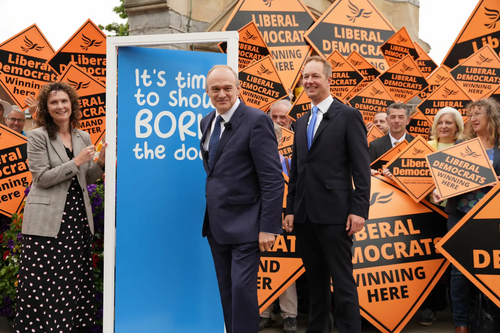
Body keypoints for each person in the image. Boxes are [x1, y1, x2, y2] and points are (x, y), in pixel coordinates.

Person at [284, 56, 371, 333]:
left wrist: (359, 210)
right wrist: (289, 210)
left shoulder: (348, 115)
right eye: (305, 77)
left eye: (315, 76)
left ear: (329, 79)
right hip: (305, 216)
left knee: (343, 284)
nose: (309, 81)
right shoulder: (300, 122)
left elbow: (361, 169)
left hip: (336, 216)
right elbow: (297, 172)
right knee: (315, 284)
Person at [14, 82, 106, 333]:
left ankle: (66, 327)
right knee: (45, 282)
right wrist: (77, 161)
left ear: (72, 104)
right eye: (54, 102)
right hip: (47, 221)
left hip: (76, 221)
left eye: (64, 101)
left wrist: (102, 161)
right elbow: (41, 178)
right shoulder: (37, 135)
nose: (60, 106)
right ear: (45, 107)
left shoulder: (82, 136)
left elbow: (85, 178)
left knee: (70, 282)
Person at [200, 65, 284, 333]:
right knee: (227, 292)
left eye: (227, 88)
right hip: (216, 225)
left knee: (242, 291)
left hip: (248, 226)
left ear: (239, 89)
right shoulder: (206, 122)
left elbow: (272, 179)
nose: (222, 94)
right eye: (215, 89)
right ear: (208, 92)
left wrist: (269, 227)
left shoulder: (257, 120)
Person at [433, 98, 500, 333]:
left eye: (479, 113)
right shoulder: (461, 145)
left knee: (491, 269)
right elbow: (443, 183)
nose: (473, 117)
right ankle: (461, 322)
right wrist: (438, 192)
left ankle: (488, 317)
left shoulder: (499, 149)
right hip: (460, 215)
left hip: (491, 219)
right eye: (471, 113)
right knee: (459, 270)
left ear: (492, 117)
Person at [419, 107, 464, 326]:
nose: (444, 126)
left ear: (457, 127)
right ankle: (431, 307)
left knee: (454, 262)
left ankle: (459, 309)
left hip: (456, 212)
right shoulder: (424, 148)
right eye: (440, 122)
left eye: (449, 122)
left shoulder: (465, 149)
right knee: (431, 261)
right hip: (429, 212)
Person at [259, 121, 298, 333]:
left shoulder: (291, 165)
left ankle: (289, 316)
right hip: (260, 225)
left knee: (286, 270)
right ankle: (262, 313)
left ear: (280, 139)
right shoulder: (252, 163)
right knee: (262, 269)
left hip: (286, 226)